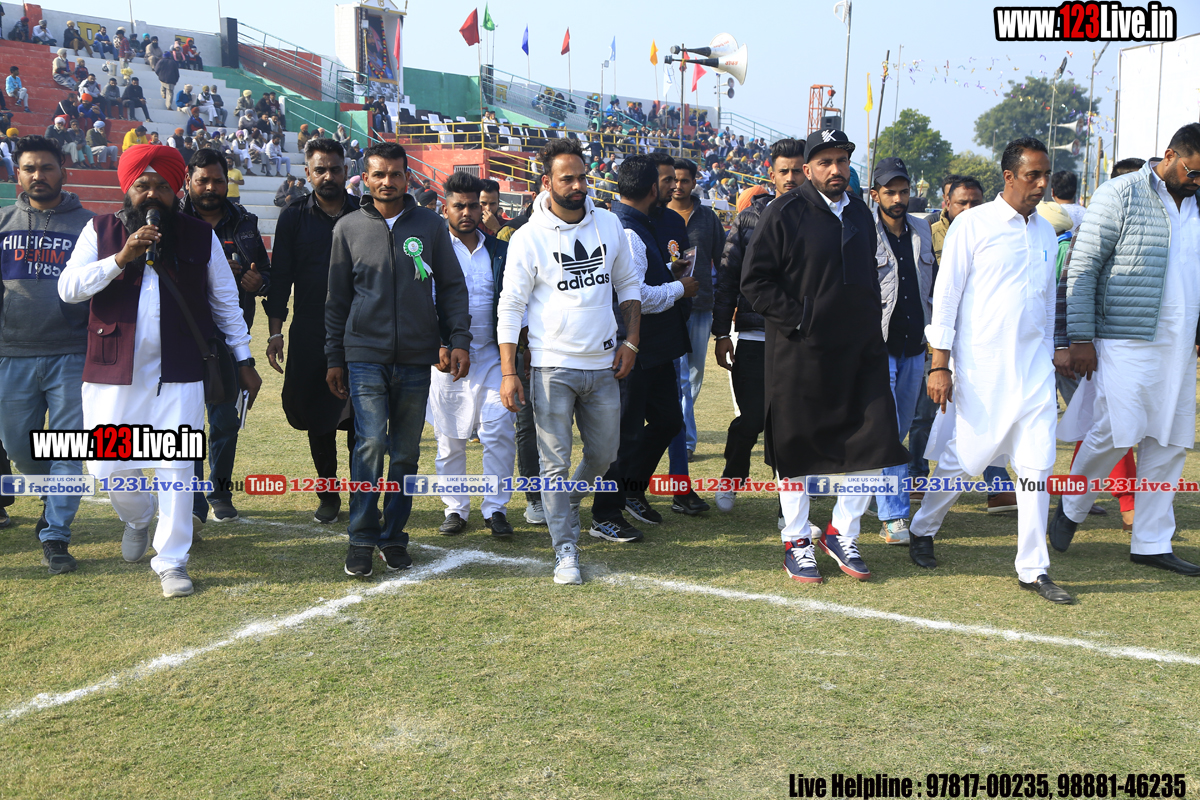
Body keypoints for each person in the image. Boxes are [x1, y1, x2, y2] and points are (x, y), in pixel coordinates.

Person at [58, 144, 263, 598]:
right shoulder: (100, 230)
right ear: (128, 189)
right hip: (111, 373)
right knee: (108, 468)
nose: (152, 194)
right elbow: (69, 288)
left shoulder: (199, 235)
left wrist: (244, 359)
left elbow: (225, 302)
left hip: (180, 372)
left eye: (162, 187)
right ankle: (137, 518)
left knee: (177, 468)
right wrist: (120, 258)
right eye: (143, 186)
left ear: (176, 190)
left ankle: (171, 561)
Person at [906, 138, 1071, 603]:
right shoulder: (972, 225)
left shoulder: (1044, 232)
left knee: (1037, 467)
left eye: (1045, 175)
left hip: (1034, 373)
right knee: (964, 461)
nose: (1042, 184)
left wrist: (1051, 354)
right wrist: (940, 364)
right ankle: (923, 527)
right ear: (1009, 176)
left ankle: (1033, 568)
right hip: (982, 370)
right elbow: (947, 296)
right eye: (1033, 175)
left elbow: (1045, 302)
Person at [740, 129, 908, 584]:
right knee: (795, 448)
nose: (836, 170)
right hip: (800, 353)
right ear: (808, 168)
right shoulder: (784, 211)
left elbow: (871, 275)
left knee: (873, 444)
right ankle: (797, 540)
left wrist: (870, 323)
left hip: (860, 351)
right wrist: (802, 320)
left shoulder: (859, 211)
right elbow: (755, 282)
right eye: (825, 162)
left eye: (842, 161)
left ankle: (841, 532)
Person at [1051, 124, 1200, 576]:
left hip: (1180, 341)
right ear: (1170, 156)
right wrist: (1078, 338)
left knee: (1171, 440)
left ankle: (1152, 542)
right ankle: (1073, 504)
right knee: (1118, 429)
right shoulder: (1121, 193)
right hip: (1124, 335)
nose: (1197, 182)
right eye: (1193, 172)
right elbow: (1083, 267)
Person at [497, 138, 642, 584]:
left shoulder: (609, 224)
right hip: (551, 368)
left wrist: (632, 341)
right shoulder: (527, 237)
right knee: (554, 464)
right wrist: (509, 371)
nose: (578, 186)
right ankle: (565, 548)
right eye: (567, 179)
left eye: (582, 177)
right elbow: (510, 306)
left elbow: (628, 285)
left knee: (604, 454)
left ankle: (570, 499)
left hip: (603, 364)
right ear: (547, 182)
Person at [325, 142, 470, 576]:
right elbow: (336, 299)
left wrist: (457, 338)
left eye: (395, 174)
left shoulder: (431, 225)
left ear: (408, 177)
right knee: (370, 443)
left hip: (415, 357)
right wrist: (334, 356)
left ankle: (393, 536)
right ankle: (361, 537)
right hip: (363, 355)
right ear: (365, 179)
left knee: (405, 453)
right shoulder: (347, 228)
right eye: (379, 174)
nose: (387, 181)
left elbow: (451, 287)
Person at [588, 155, 697, 542]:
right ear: (652, 188)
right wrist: (680, 287)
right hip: (634, 348)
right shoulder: (629, 230)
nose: (671, 187)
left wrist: (668, 273)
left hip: (654, 350)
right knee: (625, 435)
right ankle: (605, 513)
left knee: (668, 421)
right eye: (665, 182)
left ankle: (631, 489)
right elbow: (636, 297)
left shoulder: (635, 224)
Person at [0, 136, 96, 574]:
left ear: (63, 171)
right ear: (17, 173)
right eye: (29, 168)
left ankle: (55, 533)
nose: (38, 175)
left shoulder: (91, 226)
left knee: (68, 448)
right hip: (12, 352)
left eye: (47, 167)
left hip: (72, 352)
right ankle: (48, 490)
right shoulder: (3, 223)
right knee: (17, 446)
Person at [266, 138, 359, 523]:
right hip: (310, 331)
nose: (328, 176)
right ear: (308, 173)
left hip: (360, 331)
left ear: (346, 171)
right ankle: (328, 494)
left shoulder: (365, 213)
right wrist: (275, 333)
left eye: (335, 169)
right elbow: (280, 278)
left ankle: (362, 496)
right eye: (320, 170)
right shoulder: (293, 217)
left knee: (361, 419)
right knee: (318, 417)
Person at [712, 138, 805, 514]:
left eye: (797, 170)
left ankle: (789, 510)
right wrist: (722, 333)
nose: (791, 177)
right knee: (751, 418)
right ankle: (732, 477)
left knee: (791, 425)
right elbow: (727, 278)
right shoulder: (749, 218)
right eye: (784, 171)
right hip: (753, 335)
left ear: (808, 171)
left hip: (799, 340)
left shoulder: (822, 219)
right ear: (772, 174)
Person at [180, 148, 271, 525]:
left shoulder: (244, 223)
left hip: (230, 339)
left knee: (224, 421)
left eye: (218, 180)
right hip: (182, 338)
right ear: (188, 180)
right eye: (202, 180)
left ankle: (219, 492)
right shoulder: (174, 220)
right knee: (184, 425)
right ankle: (191, 501)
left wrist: (256, 282)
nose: (210, 187)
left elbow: (267, 276)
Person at [428, 172, 516, 538]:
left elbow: (513, 300)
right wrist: (437, 344)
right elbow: (423, 301)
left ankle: (495, 509)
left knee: (499, 430)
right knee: (450, 438)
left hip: (494, 356)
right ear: (445, 207)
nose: (467, 213)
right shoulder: (431, 250)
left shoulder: (499, 250)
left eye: (473, 206)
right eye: (459, 206)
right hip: (447, 358)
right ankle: (455, 508)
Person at [865, 156, 938, 546]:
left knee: (901, 426)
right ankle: (894, 515)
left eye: (903, 191)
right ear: (874, 194)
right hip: (879, 347)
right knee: (889, 432)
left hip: (915, 346)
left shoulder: (922, 228)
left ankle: (871, 495)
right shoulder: (862, 231)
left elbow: (930, 285)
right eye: (890, 192)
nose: (898, 199)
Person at [667, 157, 726, 461]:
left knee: (694, 374)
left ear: (694, 182)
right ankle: (685, 441)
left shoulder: (708, 218)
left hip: (701, 305)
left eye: (684, 180)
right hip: (667, 304)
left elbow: (723, 258)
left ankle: (681, 433)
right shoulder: (658, 215)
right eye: (673, 180)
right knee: (677, 376)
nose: (678, 186)